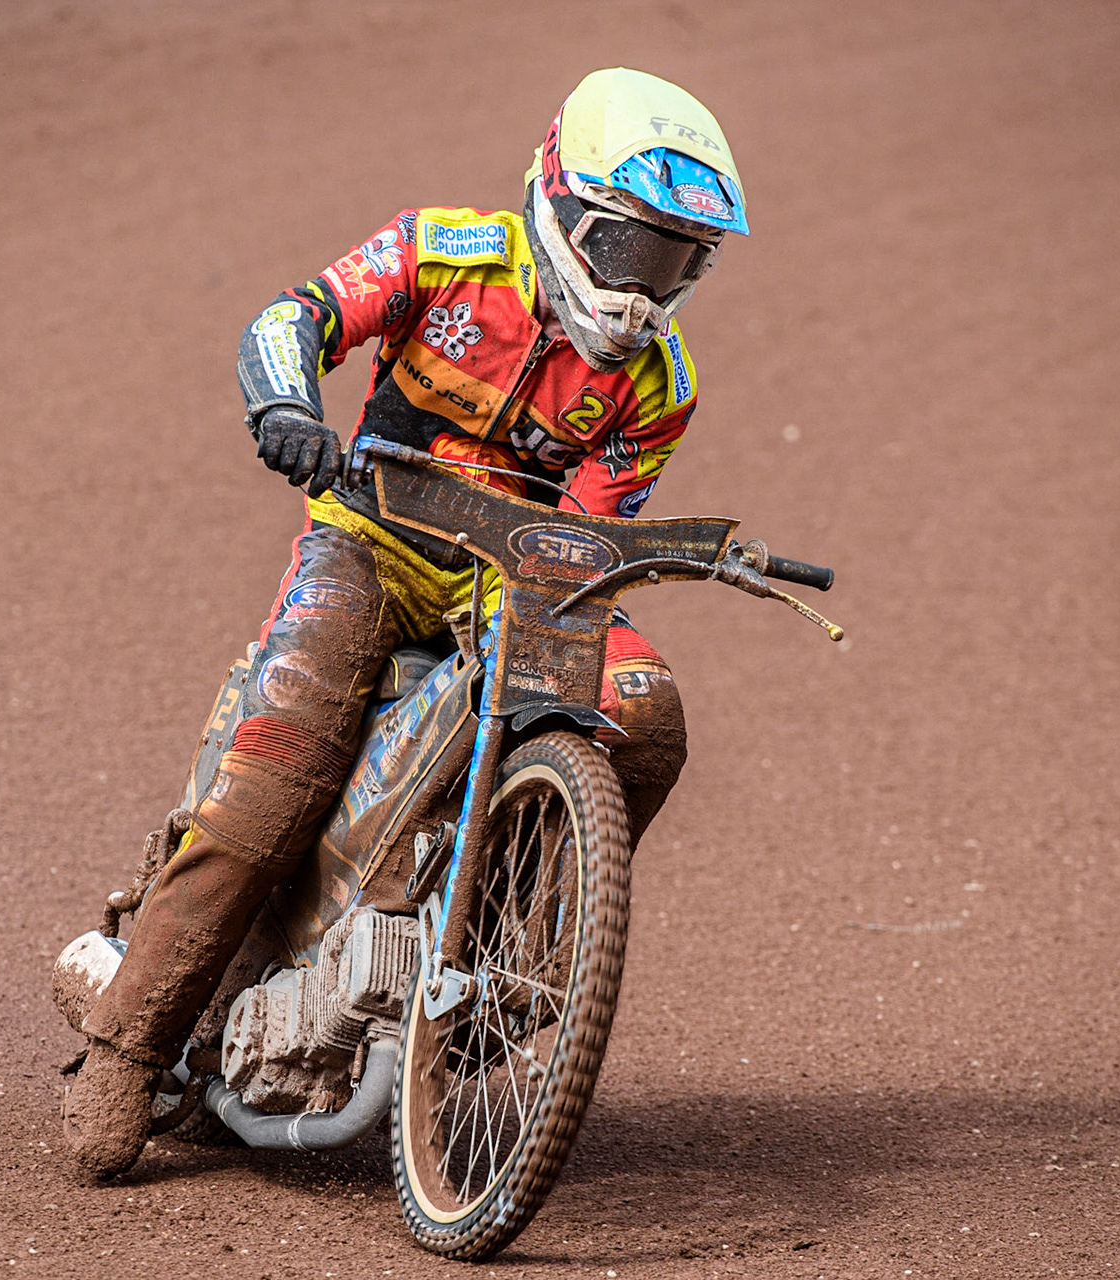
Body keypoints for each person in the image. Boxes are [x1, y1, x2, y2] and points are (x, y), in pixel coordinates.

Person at [63, 67, 750, 1177]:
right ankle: (127, 1043)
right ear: (563, 205)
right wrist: (287, 404)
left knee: (643, 706)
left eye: (677, 262)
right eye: (631, 250)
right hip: (368, 541)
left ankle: (513, 943)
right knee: (280, 767)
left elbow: (589, 535)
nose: (645, 287)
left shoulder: (660, 383)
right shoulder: (443, 252)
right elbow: (294, 316)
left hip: (514, 570)